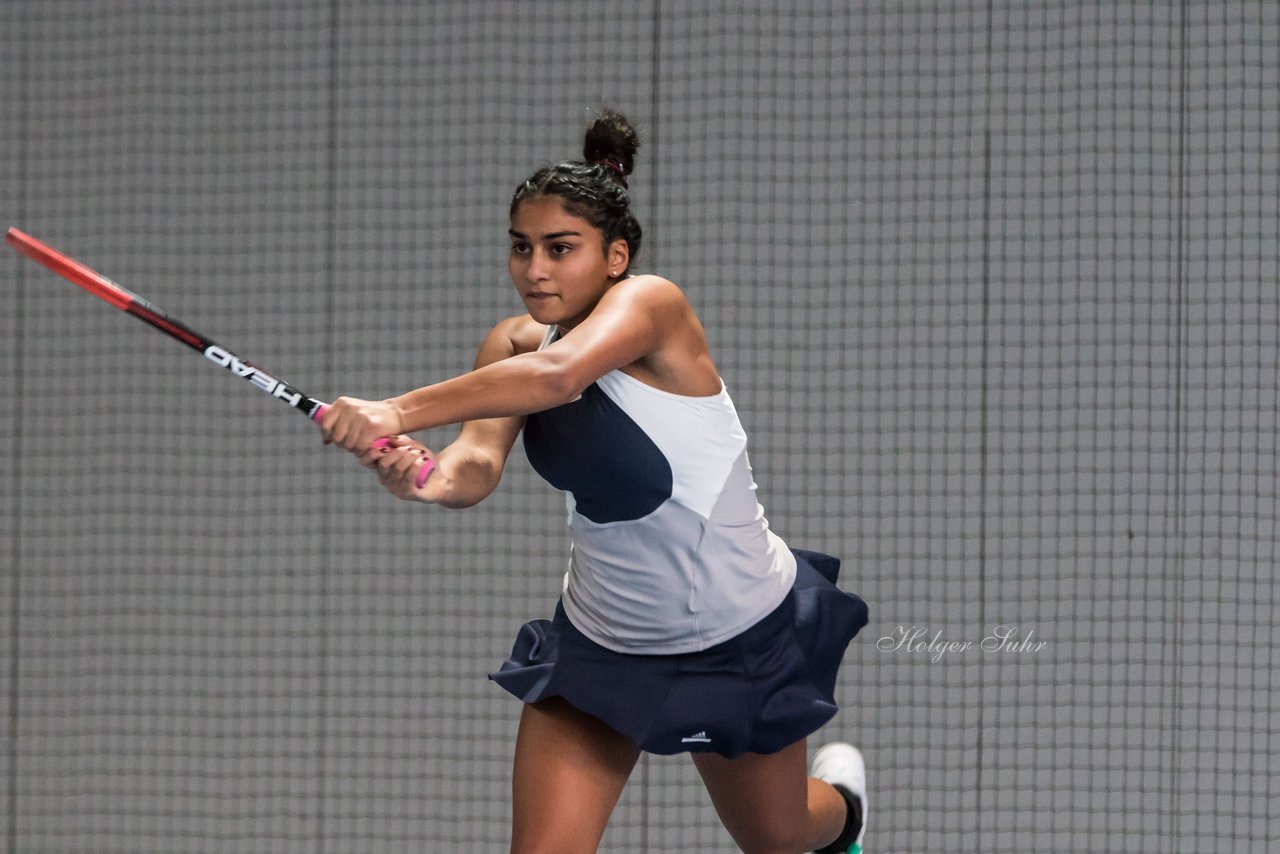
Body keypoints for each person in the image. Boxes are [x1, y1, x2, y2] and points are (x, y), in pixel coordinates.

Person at [319, 108, 870, 854]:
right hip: (603, 638)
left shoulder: (652, 305)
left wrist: (392, 409)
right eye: (521, 248)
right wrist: (415, 474)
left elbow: (560, 375)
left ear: (614, 257)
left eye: (559, 249)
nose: (535, 270)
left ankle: (849, 810)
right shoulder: (510, 343)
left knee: (780, 836)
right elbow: (474, 467)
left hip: (737, 633)